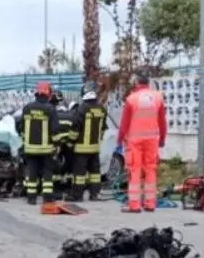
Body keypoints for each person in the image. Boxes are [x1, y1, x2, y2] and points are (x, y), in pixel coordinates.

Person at [117, 74, 167, 212]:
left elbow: (124, 124)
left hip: (135, 141)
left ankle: (134, 205)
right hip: (152, 141)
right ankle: (150, 204)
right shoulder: (158, 98)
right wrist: (162, 139)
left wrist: (119, 140)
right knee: (150, 170)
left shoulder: (131, 99)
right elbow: (162, 122)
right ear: (148, 83)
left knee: (135, 170)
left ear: (136, 83)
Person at [18, 81, 58, 205]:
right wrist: (56, 145)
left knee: (32, 173)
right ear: (48, 94)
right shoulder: (50, 109)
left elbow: (21, 127)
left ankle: (31, 198)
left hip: (30, 149)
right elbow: (55, 130)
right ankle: (47, 198)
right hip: (46, 149)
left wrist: (25, 141)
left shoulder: (27, 108)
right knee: (47, 174)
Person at [67, 82, 108, 201]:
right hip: (95, 148)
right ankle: (94, 194)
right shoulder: (101, 109)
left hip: (81, 148)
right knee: (95, 173)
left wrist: (70, 142)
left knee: (79, 174)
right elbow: (103, 128)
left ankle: (77, 195)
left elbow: (75, 128)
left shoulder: (82, 109)